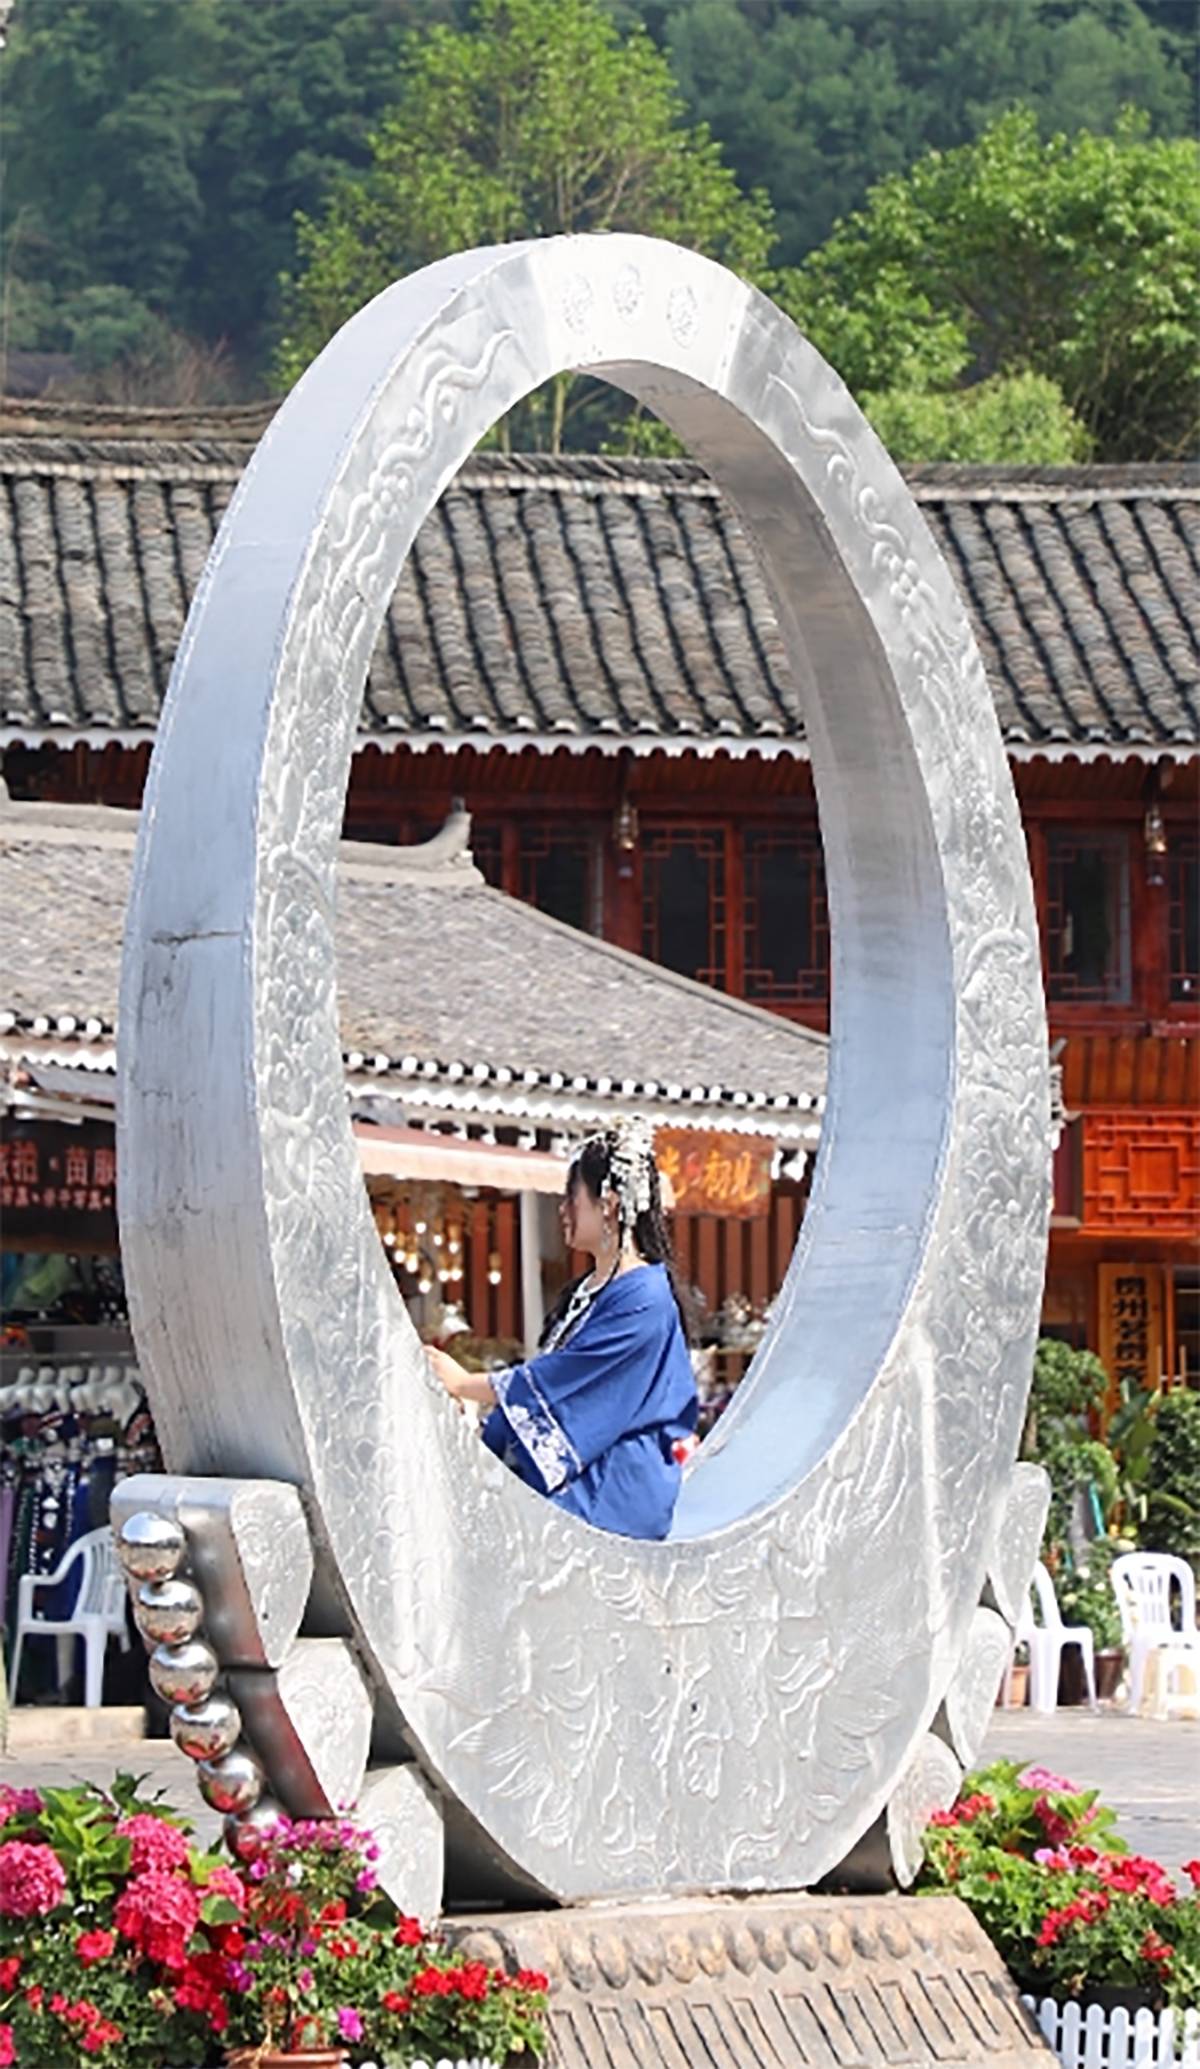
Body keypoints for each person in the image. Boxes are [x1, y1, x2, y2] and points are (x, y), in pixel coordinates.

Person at [426, 1119, 698, 1541]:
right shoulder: (594, 1289)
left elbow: (566, 1378)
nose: (562, 1210)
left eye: (572, 1198)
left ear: (608, 1205)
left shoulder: (645, 1297)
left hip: (611, 1489)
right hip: (591, 1475)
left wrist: (466, 1384)